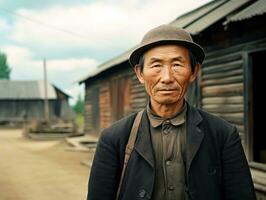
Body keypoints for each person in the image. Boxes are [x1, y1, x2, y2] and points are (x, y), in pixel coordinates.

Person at [87, 24, 256, 200]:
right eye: (156, 65)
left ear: (194, 71)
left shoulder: (223, 134)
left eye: (177, 64)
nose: (167, 78)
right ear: (140, 73)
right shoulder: (114, 138)